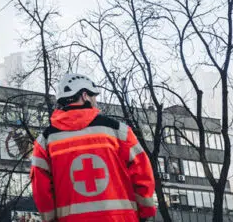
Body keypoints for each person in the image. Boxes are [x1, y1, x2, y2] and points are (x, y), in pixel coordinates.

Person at [30, 73, 157, 222]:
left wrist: (50, 219)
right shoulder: (118, 131)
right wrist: (146, 212)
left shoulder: (46, 141)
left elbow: (41, 190)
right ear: (85, 96)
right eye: (94, 96)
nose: (96, 101)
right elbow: (142, 172)